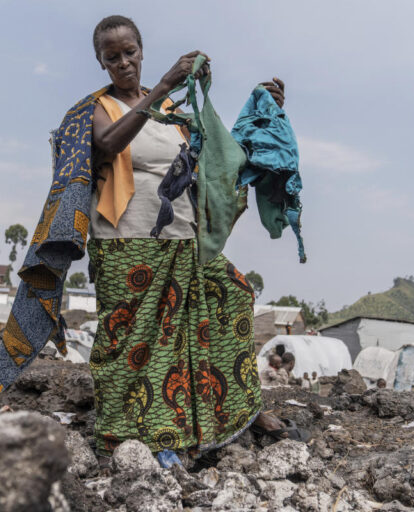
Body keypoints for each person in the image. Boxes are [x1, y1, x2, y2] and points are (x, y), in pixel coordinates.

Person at [86, 15, 288, 454]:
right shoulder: (101, 108)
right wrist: (161, 86)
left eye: (129, 52)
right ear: (101, 62)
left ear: (141, 50)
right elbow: (108, 146)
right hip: (126, 242)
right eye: (112, 57)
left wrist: (265, 113)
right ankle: (129, 435)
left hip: (182, 238)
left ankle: (233, 413)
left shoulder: (175, 113)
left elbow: (220, 156)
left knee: (232, 294)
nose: (123, 63)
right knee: (136, 342)